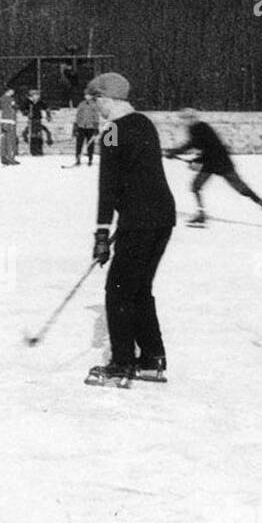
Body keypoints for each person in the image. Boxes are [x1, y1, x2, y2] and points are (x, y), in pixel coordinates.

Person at [86, 72, 176, 386]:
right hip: (162, 217)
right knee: (139, 289)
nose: (95, 107)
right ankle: (152, 359)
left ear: (107, 99)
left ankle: (121, 364)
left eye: (95, 100)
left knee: (118, 291)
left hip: (139, 221)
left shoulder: (111, 131)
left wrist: (101, 233)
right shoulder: (144, 124)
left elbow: (107, 185)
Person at [165, 109, 262, 226]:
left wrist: (190, 158)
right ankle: (201, 214)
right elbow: (196, 145)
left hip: (218, 162)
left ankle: (202, 214)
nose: (184, 122)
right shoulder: (197, 128)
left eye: (185, 119)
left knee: (238, 189)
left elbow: (207, 147)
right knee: (198, 186)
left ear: (191, 118)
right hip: (216, 162)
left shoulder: (200, 128)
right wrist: (178, 153)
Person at [23, 88, 51, 155]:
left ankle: (39, 150)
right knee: (32, 135)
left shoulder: (40, 102)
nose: (37, 96)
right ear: (32, 96)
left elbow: (46, 108)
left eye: (37, 95)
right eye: (35, 95)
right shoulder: (28, 102)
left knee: (39, 134)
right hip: (31, 120)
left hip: (38, 119)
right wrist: (26, 112)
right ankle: (33, 150)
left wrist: (48, 115)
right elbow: (23, 109)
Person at [73, 95, 100, 166]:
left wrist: (96, 127)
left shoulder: (94, 105)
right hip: (81, 127)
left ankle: (90, 159)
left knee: (90, 144)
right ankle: (78, 159)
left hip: (90, 127)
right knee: (79, 144)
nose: (87, 97)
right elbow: (78, 115)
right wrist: (76, 126)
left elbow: (96, 116)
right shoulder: (81, 104)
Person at [0, 88, 20, 165]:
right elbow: (14, 106)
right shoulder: (10, 99)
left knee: (3, 141)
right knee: (11, 140)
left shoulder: (1, 98)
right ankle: (11, 158)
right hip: (10, 120)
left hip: (3, 120)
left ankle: (3, 157)